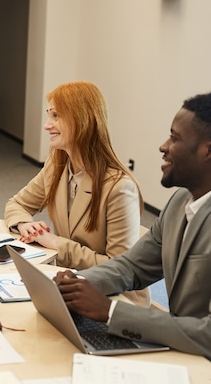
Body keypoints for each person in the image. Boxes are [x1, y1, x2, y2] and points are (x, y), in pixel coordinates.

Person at [54, 92, 211, 358]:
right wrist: (78, 284)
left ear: (207, 150)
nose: (163, 146)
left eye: (175, 138)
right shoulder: (179, 202)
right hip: (181, 351)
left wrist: (110, 311)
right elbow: (133, 266)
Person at [4, 81, 148, 306]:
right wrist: (24, 224)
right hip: (70, 282)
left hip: (112, 300)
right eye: (48, 115)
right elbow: (17, 204)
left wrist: (55, 243)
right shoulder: (57, 165)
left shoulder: (120, 188)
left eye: (55, 116)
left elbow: (120, 270)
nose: (46, 125)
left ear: (81, 120)